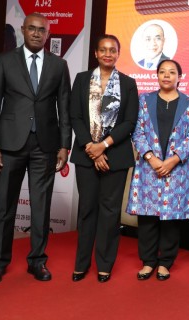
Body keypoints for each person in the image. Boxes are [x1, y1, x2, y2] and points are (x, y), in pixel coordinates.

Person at [0, 12, 71, 284]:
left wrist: (64, 145)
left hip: (45, 145)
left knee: (41, 207)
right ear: (22, 30)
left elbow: (64, 108)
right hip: (9, 145)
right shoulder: (5, 61)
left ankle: (37, 261)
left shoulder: (59, 65)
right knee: (4, 207)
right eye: (31, 28)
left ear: (48, 34)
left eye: (41, 30)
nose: (36, 33)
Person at [69, 34, 139, 283]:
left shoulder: (128, 83)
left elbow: (130, 122)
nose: (108, 54)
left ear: (118, 54)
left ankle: (105, 264)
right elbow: (75, 115)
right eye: (103, 50)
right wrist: (91, 147)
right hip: (86, 154)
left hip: (115, 156)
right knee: (87, 210)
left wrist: (104, 146)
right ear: (96, 54)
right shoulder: (82, 79)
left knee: (110, 213)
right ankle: (81, 263)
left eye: (113, 50)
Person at [126, 59, 189, 281]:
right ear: (157, 76)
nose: (166, 76)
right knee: (147, 217)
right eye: (162, 72)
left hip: (177, 169)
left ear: (180, 77)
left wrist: (172, 161)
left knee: (171, 218)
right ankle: (148, 262)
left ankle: (165, 262)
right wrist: (152, 158)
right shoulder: (144, 100)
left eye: (171, 72)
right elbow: (137, 132)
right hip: (149, 167)